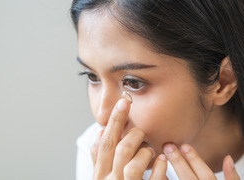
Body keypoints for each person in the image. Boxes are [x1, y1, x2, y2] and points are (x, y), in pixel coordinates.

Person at [70, 0, 244, 179]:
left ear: (223, 81)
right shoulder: (97, 153)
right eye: (92, 77)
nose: (102, 116)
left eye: (134, 83)